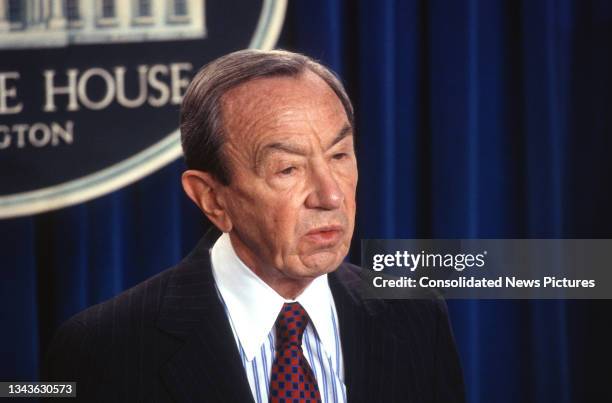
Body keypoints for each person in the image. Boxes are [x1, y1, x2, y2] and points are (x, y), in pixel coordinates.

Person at [43, 49, 465, 403]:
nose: (331, 195)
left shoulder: (416, 315)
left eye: (340, 156)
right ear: (212, 198)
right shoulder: (103, 349)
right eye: (287, 169)